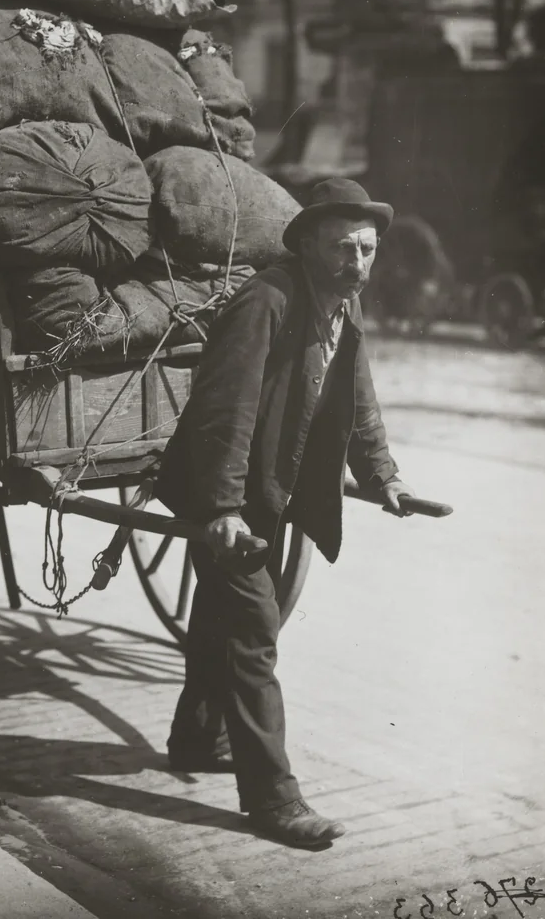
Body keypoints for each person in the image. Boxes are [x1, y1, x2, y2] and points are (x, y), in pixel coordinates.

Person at [155, 177, 415, 849]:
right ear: (304, 245)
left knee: (225, 612)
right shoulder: (266, 301)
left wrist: (383, 477)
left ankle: (195, 739)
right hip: (228, 492)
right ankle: (273, 798)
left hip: (267, 492)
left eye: (366, 251)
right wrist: (218, 508)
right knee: (253, 627)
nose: (355, 263)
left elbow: (357, 401)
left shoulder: (340, 309)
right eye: (341, 248)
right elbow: (225, 408)